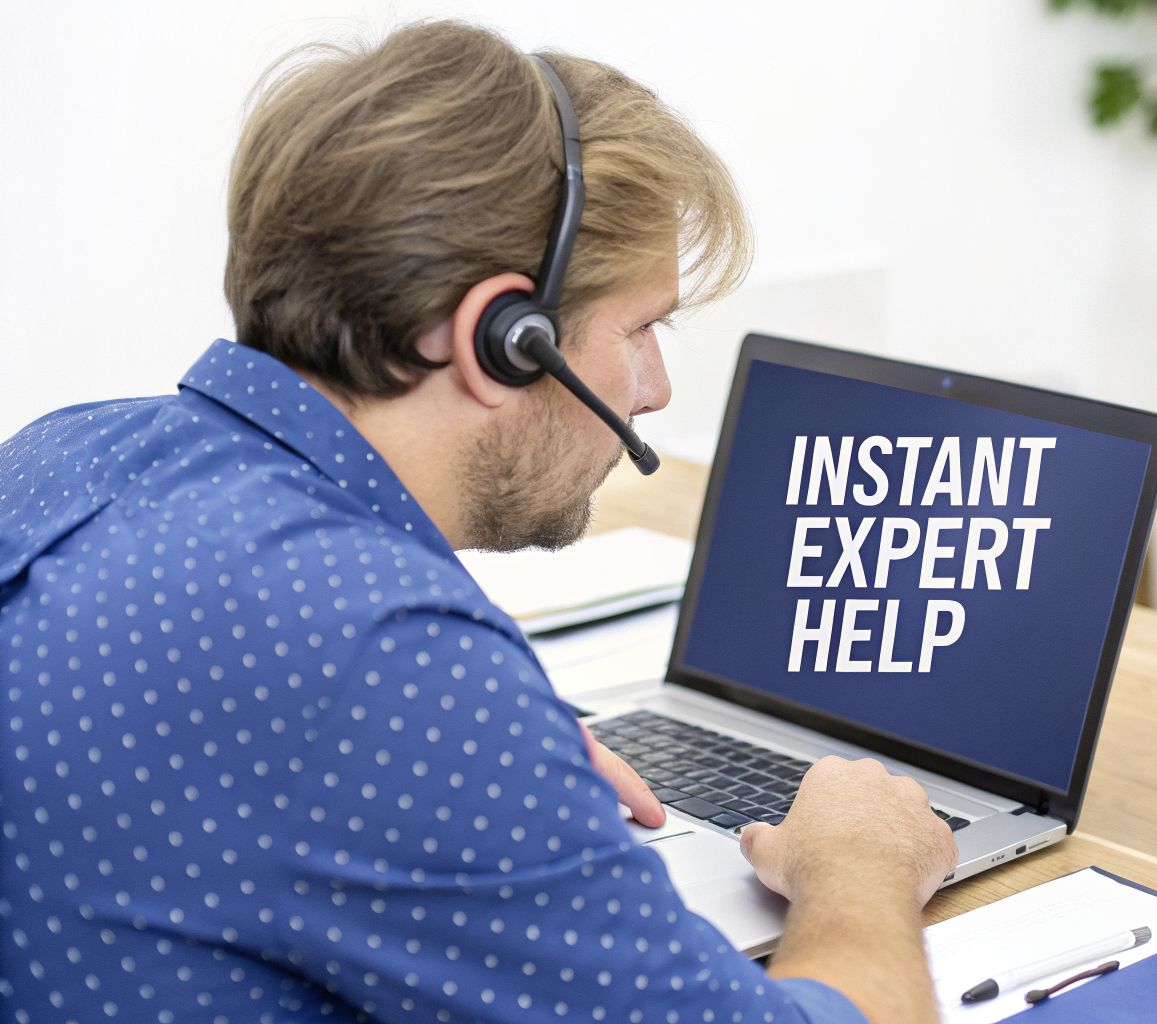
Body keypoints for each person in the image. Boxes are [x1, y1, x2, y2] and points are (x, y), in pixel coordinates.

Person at [0, 20, 957, 1024]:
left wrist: (484, 764)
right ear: (503, 339)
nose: (656, 387)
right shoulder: (378, 661)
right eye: (640, 330)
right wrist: (861, 863)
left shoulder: (63, 456)